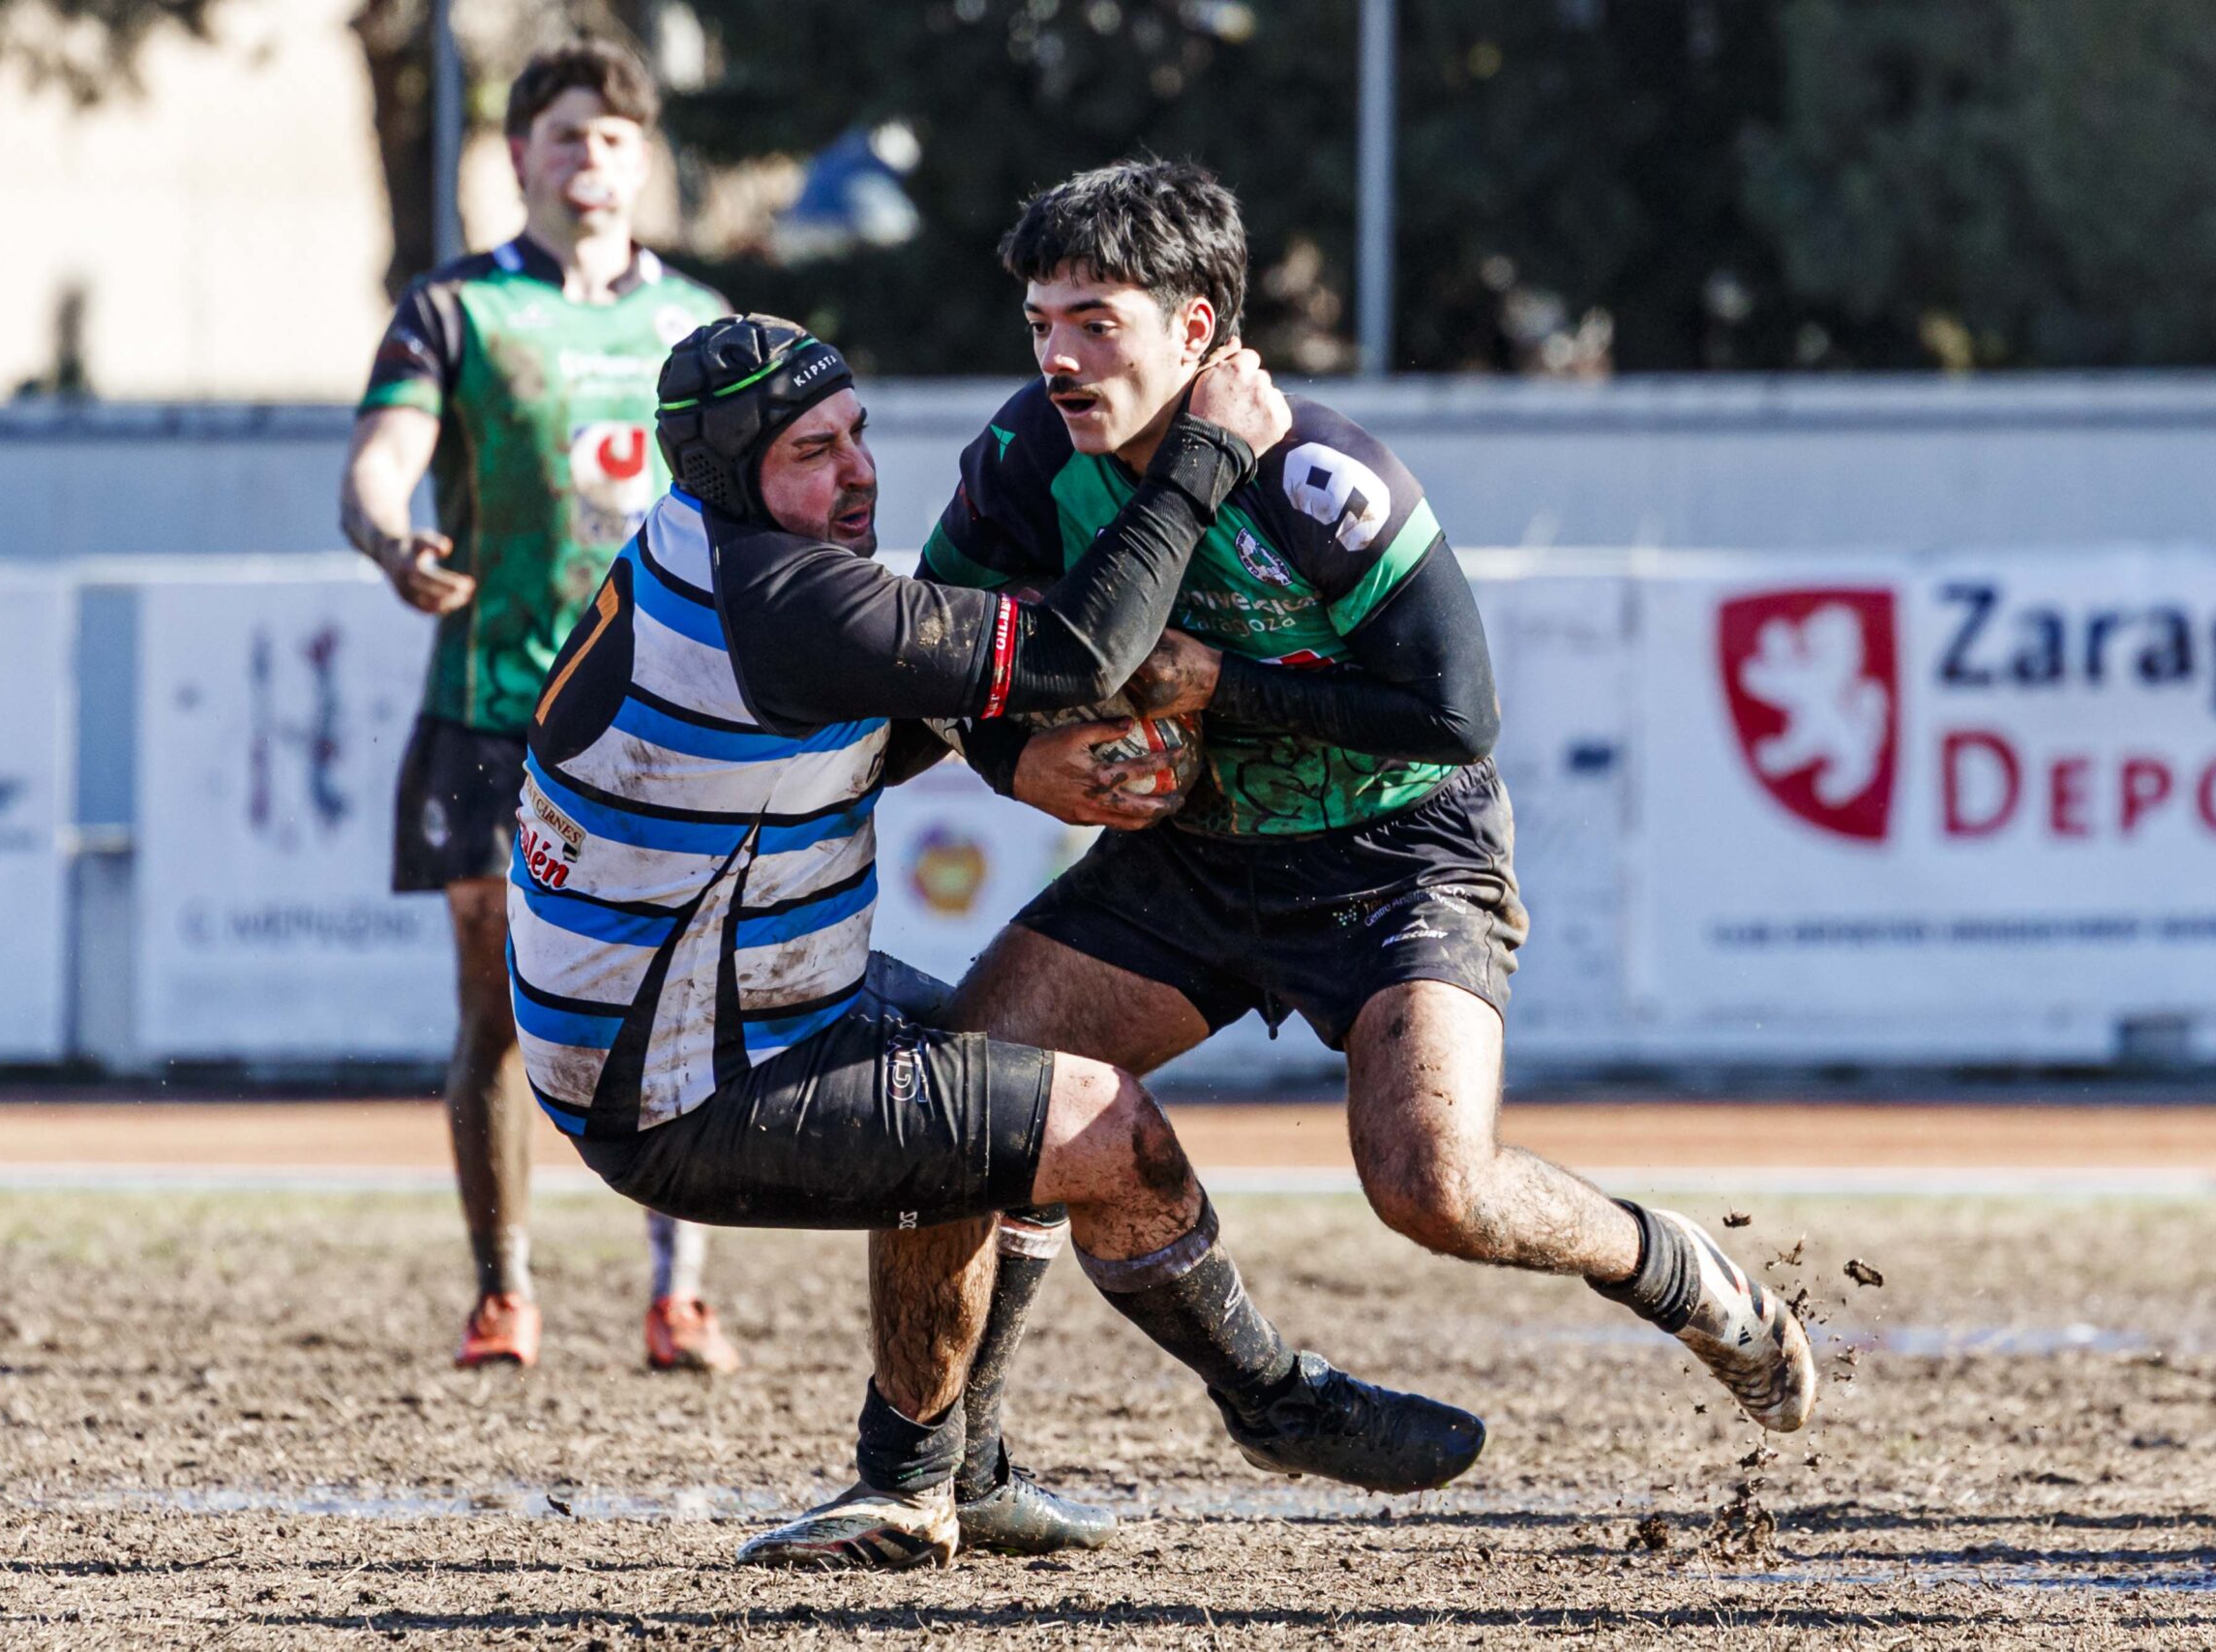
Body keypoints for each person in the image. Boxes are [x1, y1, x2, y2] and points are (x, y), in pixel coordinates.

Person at [509, 313, 1486, 1570]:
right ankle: (1272, 1399)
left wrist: (1027, 754)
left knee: (1004, 1061)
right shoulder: (784, 598)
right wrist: (1205, 456)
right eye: (814, 449)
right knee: (1105, 1133)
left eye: (858, 433)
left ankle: (940, 1476)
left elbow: (914, 720)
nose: (858, 470)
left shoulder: (710, 559)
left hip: (729, 1026)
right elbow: (1081, 649)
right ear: (728, 472)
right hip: (690, 1086)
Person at [910, 161, 1817, 1459]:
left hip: (1401, 858)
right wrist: (1013, 765)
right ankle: (967, 1461)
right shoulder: (1023, 454)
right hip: (1194, 857)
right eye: (1042, 322)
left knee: (1433, 1189)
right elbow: (950, 652)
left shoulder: (1324, 475)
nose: (1058, 357)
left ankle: (1669, 1266)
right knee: (976, 1102)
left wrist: (1220, 683)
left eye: (1095, 321)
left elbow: (1455, 717)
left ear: (1197, 329)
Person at [339, 39, 738, 1373]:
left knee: (683, 1003)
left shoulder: (702, 324)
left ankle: (680, 1292)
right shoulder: (453, 311)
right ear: (519, 157)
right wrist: (393, 540)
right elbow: (380, 462)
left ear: (643, 159)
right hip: (491, 712)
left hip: (664, 716)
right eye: (565, 136)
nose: (590, 161)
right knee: (498, 1005)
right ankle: (503, 1288)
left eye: (614, 138)